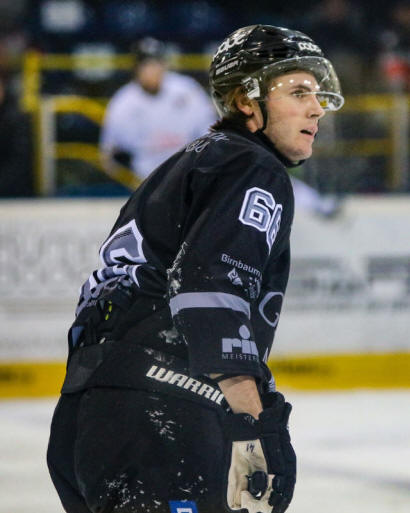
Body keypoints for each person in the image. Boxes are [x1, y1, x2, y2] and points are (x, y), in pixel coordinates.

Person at [47, 25, 344, 513]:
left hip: (87, 410)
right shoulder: (253, 166)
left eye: (317, 94)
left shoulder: (186, 165)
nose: (317, 108)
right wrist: (251, 424)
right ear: (246, 100)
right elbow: (209, 290)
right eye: (297, 92)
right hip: (159, 413)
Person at [100, 36, 216, 180]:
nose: (152, 70)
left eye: (156, 63)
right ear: (136, 69)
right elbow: (109, 156)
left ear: (164, 65)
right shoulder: (122, 102)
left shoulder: (187, 90)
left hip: (189, 177)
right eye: (146, 65)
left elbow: (211, 134)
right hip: (143, 182)